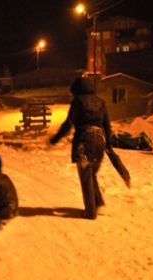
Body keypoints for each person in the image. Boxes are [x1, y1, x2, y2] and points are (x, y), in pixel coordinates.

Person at [48, 76, 114, 219]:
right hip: (100, 141)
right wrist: (108, 144)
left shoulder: (78, 101)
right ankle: (98, 203)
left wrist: (55, 139)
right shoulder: (101, 102)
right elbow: (107, 125)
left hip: (85, 141)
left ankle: (90, 212)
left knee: (86, 176)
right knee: (92, 174)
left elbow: (69, 123)